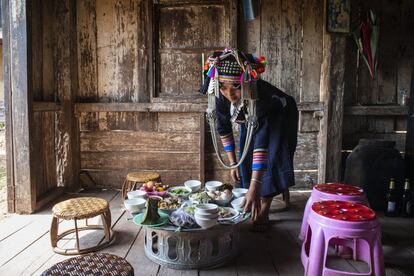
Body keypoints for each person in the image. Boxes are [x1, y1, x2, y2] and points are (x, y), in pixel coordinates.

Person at [200, 48, 299, 231]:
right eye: (223, 86)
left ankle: (264, 209)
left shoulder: (260, 98)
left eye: (235, 87)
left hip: (280, 113)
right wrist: (233, 163)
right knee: (246, 154)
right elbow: (223, 127)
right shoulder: (220, 95)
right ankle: (252, 198)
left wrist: (255, 186)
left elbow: (261, 145)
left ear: (246, 82)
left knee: (273, 154)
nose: (229, 94)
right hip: (249, 115)